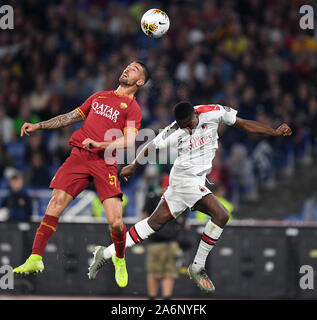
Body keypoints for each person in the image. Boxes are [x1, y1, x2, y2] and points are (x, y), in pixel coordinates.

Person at [88, 100, 292, 293]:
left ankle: (105, 253)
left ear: (196, 114)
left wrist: (273, 131)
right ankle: (197, 266)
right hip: (186, 180)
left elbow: (243, 123)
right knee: (221, 215)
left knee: (152, 225)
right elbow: (151, 145)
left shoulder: (213, 112)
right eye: (184, 126)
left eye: (190, 125)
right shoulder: (175, 130)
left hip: (190, 181)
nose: (189, 129)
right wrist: (133, 165)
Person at [13, 60, 149, 289]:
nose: (127, 69)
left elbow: (128, 140)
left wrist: (99, 143)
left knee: (116, 223)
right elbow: (69, 117)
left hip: (104, 160)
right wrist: (39, 126)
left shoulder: (133, 108)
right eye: (127, 66)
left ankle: (119, 258)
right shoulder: (99, 96)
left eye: (134, 69)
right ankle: (35, 258)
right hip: (79, 156)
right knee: (55, 203)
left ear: (140, 81)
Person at [143, 174, 185, 300]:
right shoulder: (155, 199)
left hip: (170, 242)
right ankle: (153, 296)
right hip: (158, 242)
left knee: (168, 272)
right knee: (156, 271)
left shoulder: (158, 199)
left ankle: (165, 297)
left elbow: (143, 217)